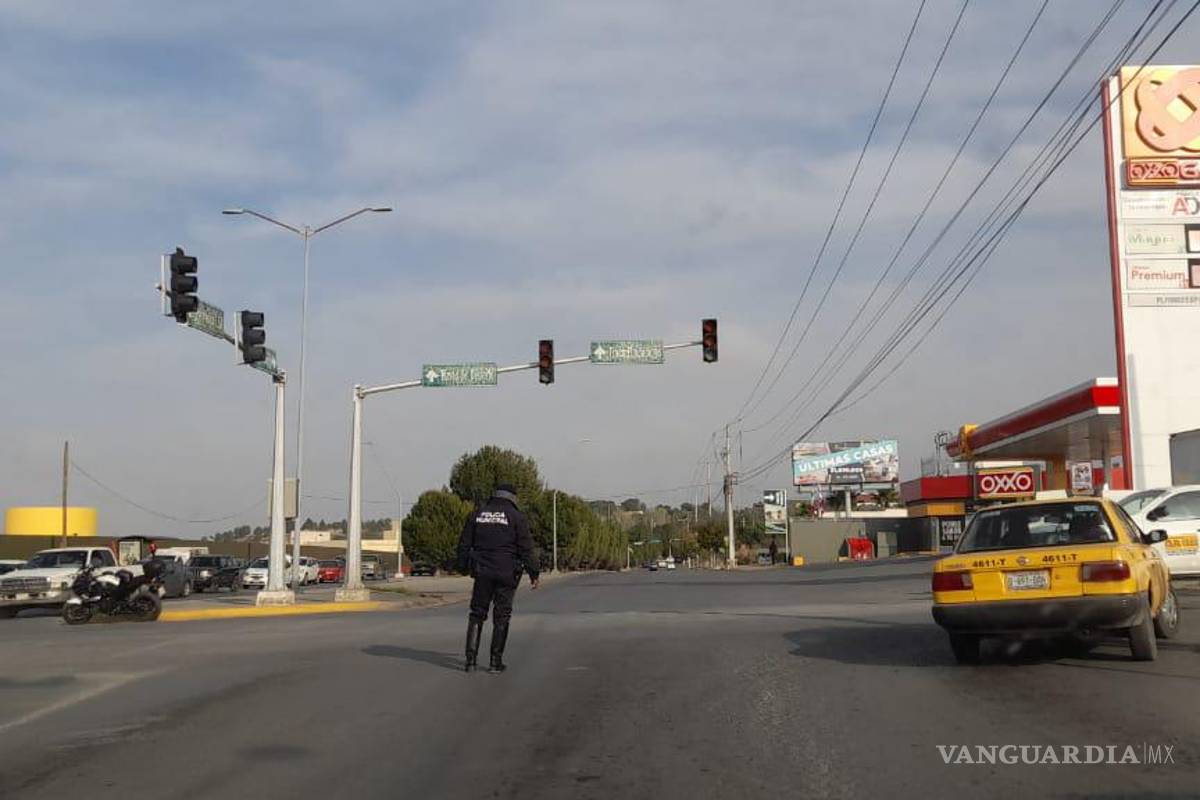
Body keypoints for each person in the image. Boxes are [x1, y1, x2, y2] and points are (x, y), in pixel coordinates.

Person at [457, 483, 540, 673]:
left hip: (482, 571)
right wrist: (534, 573)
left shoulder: (477, 514)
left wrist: (462, 566)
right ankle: (495, 662)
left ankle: (470, 661)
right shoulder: (516, 517)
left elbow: (464, 544)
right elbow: (526, 548)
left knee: (477, 613)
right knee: (501, 617)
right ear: (512, 498)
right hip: (507, 572)